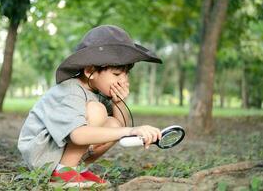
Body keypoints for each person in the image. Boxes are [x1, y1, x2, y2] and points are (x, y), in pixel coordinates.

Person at [17, 25, 163, 188]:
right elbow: (78, 136)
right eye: (116, 74)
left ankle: (76, 169)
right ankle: (64, 173)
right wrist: (131, 131)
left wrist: (119, 101)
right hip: (41, 151)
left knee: (114, 124)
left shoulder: (97, 91)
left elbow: (119, 126)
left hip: (58, 149)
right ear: (89, 71)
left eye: (126, 74)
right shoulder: (71, 91)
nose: (123, 80)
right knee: (97, 111)